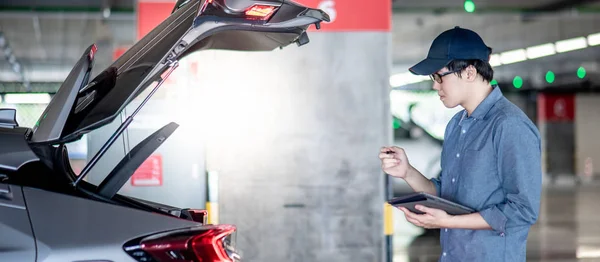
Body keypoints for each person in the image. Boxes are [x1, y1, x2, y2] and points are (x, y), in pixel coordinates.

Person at [379, 26, 542, 262]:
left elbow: (522, 211)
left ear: (469, 73)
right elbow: (447, 194)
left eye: (438, 76)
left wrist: (448, 222)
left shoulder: (509, 126)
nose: (435, 86)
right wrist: (407, 172)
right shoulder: (456, 125)